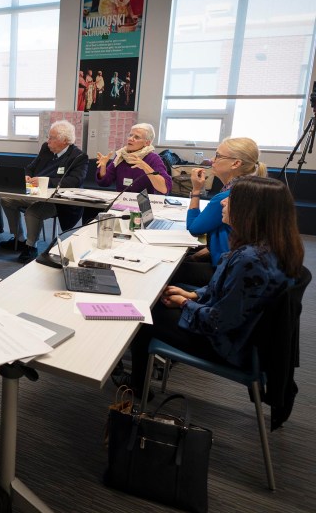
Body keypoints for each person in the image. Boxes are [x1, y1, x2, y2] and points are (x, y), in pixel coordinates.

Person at [123, 176, 304, 396]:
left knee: (144, 316)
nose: (222, 202)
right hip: (248, 338)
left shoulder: (250, 259)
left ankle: (137, 390)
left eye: (231, 199)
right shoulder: (272, 246)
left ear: (251, 210)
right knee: (155, 304)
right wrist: (192, 294)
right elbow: (229, 293)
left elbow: (218, 322)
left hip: (231, 345)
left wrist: (184, 303)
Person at [177, 137, 267, 286]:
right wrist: (208, 250)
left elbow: (193, 229)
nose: (212, 160)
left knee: (168, 271)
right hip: (237, 265)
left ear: (236, 163)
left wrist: (196, 190)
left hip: (224, 271)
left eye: (218, 156)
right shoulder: (249, 187)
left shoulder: (227, 196)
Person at [0, 121, 87, 263]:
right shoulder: (46, 149)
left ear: (64, 141)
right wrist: (27, 175)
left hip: (57, 201)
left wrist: (44, 181)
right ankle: (19, 238)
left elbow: (74, 181)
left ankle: (30, 246)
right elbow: (31, 167)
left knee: (33, 212)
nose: (48, 141)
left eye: (52, 138)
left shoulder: (78, 157)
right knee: (6, 199)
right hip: (34, 193)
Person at [95, 123, 172, 195]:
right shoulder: (120, 155)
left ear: (147, 143)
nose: (130, 139)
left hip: (144, 205)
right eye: (130, 135)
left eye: (137, 137)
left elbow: (164, 189)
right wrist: (103, 167)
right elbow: (104, 183)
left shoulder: (153, 158)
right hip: (121, 202)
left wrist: (145, 167)